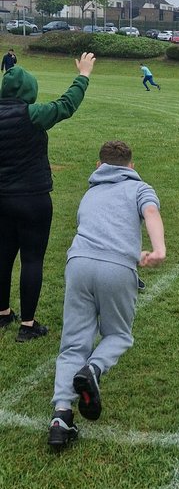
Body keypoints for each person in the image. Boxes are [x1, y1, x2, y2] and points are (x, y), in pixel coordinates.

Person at [48, 139, 166, 451]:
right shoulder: (140, 188)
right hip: (116, 267)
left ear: (100, 166)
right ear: (132, 165)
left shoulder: (90, 191)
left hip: (78, 264)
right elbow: (151, 212)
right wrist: (159, 249)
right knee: (118, 335)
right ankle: (93, 369)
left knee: (73, 343)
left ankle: (60, 418)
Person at [0, 53, 96, 340]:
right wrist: (84, 75)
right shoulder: (33, 115)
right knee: (32, 259)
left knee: (2, 257)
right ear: (29, 91)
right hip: (33, 198)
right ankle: (27, 326)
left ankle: (2, 314)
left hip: (1, 199)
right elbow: (66, 105)